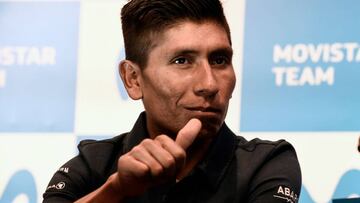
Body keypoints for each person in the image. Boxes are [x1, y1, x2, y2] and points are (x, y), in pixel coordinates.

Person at [43, 0, 302, 202]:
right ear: (133, 79)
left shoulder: (267, 163)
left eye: (220, 60)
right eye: (182, 61)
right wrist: (117, 190)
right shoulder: (93, 165)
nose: (209, 85)